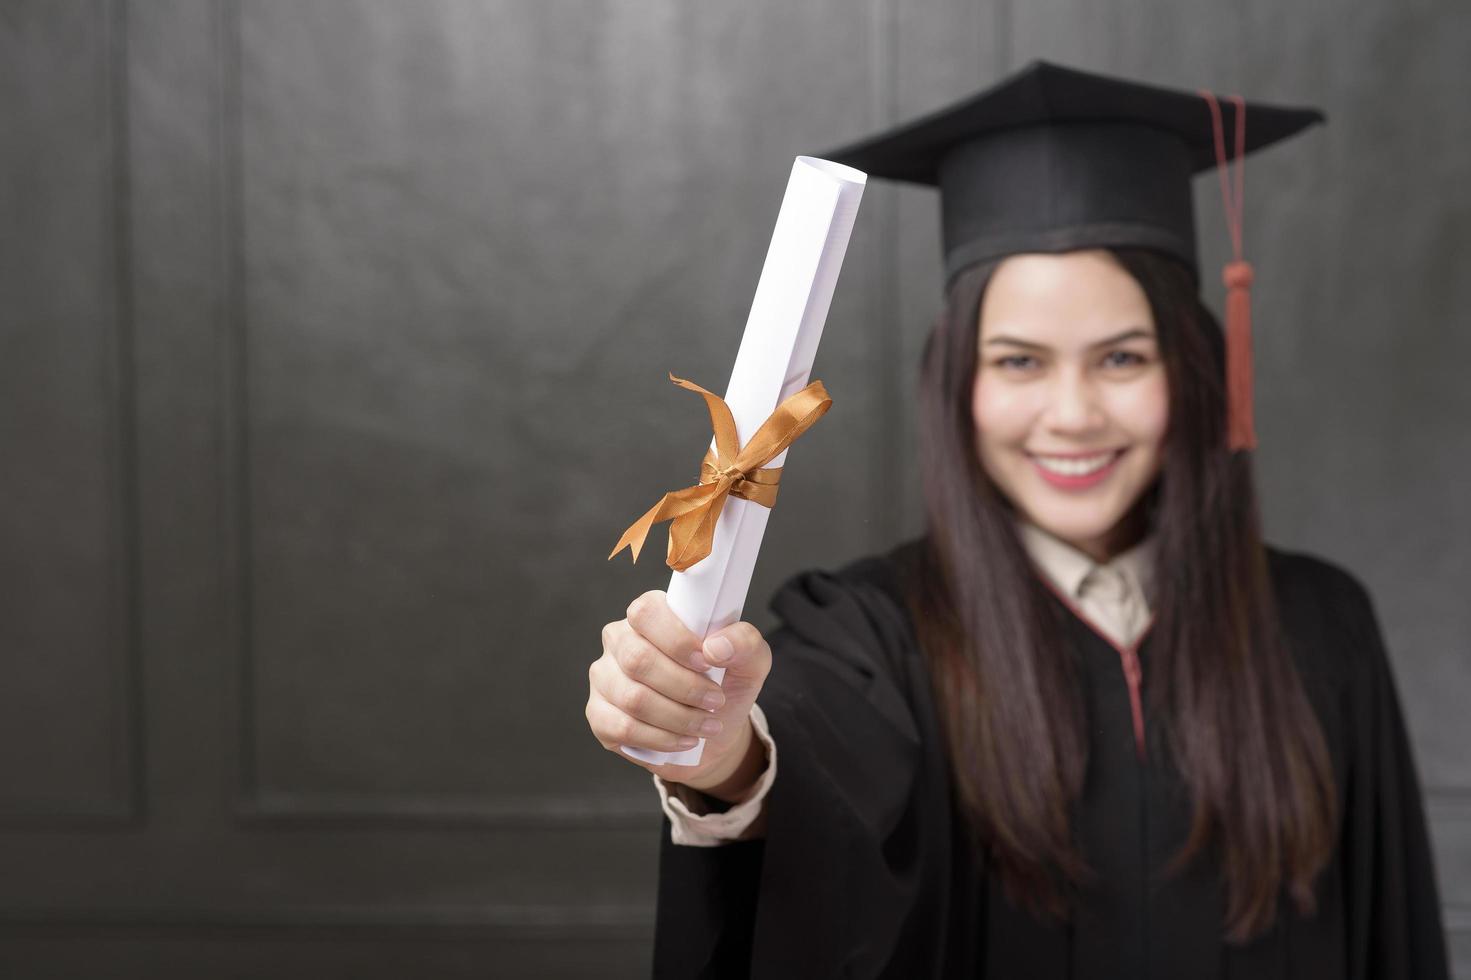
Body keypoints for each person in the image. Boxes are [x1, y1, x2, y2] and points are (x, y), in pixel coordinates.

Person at [584, 60, 1451, 978]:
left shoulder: (1319, 628)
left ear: (1190, 371)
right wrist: (723, 753)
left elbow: (1390, 937)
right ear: (957, 382)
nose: (1072, 414)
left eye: (1120, 358)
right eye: (1019, 362)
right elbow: (805, 764)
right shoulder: (872, 634)